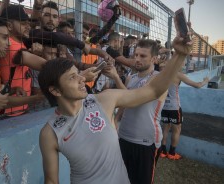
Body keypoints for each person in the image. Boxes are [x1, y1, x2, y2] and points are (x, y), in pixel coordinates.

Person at [37, 34, 192, 183]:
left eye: (78, 73)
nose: (82, 78)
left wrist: (179, 55)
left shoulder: (104, 99)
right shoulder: (49, 133)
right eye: (73, 77)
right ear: (55, 91)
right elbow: (51, 180)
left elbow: (153, 90)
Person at [113, 39, 168, 184]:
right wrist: (116, 119)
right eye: (136, 55)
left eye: (143, 56)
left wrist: (114, 77)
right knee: (122, 179)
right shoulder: (131, 78)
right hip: (124, 137)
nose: (137, 59)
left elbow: (134, 99)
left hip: (146, 142)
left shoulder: (159, 79)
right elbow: (124, 104)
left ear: (154, 59)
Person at [159, 64, 209, 160]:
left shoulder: (162, 74)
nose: (183, 65)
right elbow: (198, 85)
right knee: (176, 130)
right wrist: (206, 81)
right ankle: (172, 153)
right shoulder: (178, 74)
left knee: (165, 128)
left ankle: (163, 151)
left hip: (164, 106)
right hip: (174, 107)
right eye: (182, 63)